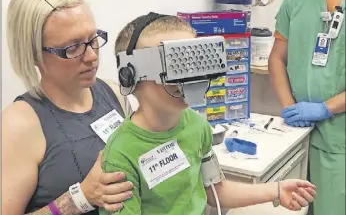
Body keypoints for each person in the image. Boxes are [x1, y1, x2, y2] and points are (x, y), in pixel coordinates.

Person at [99, 13, 317, 215]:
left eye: (193, 63)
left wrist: (275, 190)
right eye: (176, 65)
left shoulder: (196, 124)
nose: (190, 78)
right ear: (130, 76)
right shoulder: (121, 152)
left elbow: (215, 189)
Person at [2, 0, 135, 215]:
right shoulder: (19, 124)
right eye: (73, 48)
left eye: (93, 39)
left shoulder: (112, 93)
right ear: (34, 53)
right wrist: (81, 198)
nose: (92, 56)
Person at [268, 0, 345, 215]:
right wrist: (289, 105)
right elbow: (277, 58)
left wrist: (326, 108)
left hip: (339, 137)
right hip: (299, 135)